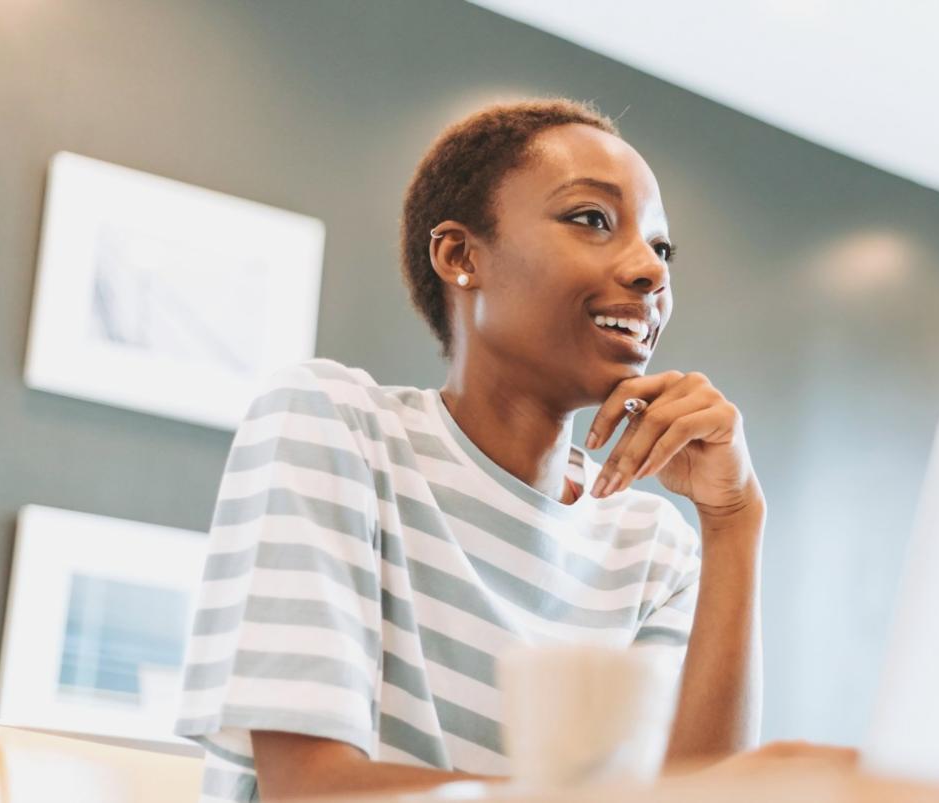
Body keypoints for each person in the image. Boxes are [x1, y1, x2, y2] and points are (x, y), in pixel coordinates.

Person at [174, 97, 851, 802]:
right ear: (461, 255)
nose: (652, 272)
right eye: (592, 219)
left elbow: (698, 798)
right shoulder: (336, 425)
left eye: (661, 248)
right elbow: (315, 790)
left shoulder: (654, 550)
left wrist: (735, 520)